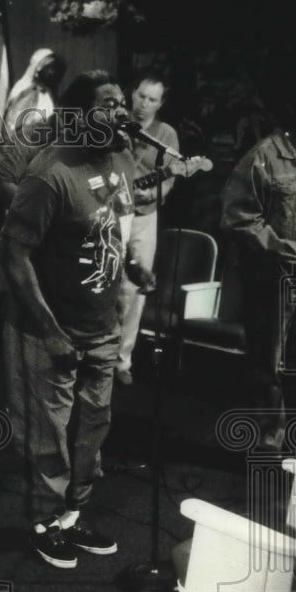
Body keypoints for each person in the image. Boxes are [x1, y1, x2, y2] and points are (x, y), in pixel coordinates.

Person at [0, 70, 143, 569]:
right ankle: (43, 519)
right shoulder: (49, 173)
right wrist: (51, 331)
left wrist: (133, 264)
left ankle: (73, 514)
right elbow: (13, 258)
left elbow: (111, 228)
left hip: (101, 325)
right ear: (79, 116)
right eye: (107, 104)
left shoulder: (121, 162)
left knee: (93, 427)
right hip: (49, 327)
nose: (121, 112)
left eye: (122, 102)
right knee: (48, 432)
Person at [220, 70, 296, 451]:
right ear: (289, 106)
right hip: (274, 279)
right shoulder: (262, 157)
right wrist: (289, 252)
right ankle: (270, 448)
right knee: (269, 367)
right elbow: (239, 219)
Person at [114, 73, 181, 386]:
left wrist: (156, 192)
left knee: (134, 289)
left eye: (152, 99)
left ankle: (121, 362)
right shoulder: (116, 123)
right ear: (132, 93)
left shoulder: (166, 133)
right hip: (108, 213)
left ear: (161, 103)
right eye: (141, 96)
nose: (144, 104)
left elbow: (171, 175)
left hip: (143, 216)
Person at [0, 49, 67, 219]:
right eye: (48, 67)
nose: (52, 73)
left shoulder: (48, 93)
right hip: (22, 165)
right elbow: (16, 131)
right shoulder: (27, 92)